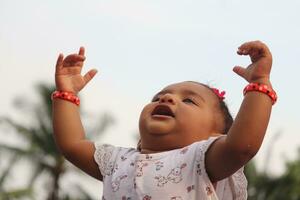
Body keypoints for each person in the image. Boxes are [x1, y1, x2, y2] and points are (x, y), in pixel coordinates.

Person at [52, 41, 277, 199]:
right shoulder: (117, 162)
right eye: (158, 97)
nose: (167, 98)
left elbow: (241, 146)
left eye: (189, 101)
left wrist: (259, 83)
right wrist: (67, 95)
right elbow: (72, 144)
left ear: (215, 138)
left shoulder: (200, 161)